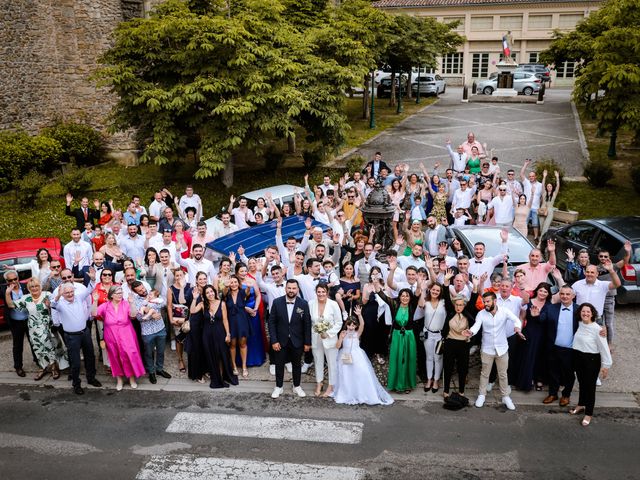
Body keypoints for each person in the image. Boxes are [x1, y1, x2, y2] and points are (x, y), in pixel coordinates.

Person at [465, 291, 524, 411]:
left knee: (503, 374)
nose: (485, 304)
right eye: (484, 302)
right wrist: (471, 332)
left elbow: (516, 320)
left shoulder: (504, 311)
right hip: (487, 349)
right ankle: (481, 395)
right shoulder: (481, 314)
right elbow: (477, 326)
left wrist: (518, 328)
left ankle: (505, 397)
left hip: (502, 349)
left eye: (487, 302)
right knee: (484, 374)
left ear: (495, 301)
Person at [4, 278, 69, 380]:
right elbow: (11, 305)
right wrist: (8, 293)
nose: (34, 288)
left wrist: (53, 302)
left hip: (48, 326)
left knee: (51, 346)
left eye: (36, 286)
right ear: (29, 289)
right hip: (34, 328)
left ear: (40, 286)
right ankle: (42, 367)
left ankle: (54, 367)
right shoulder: (26, 298)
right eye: (32, 287)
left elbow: (56, 304)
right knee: (38, 348)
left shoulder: (47, 294)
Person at [332, 306, 394, 406]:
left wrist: (359, 315)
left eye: (353, 325)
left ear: (356, 326)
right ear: (346, 325)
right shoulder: (343, 333)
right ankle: (347, 393)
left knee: (360, 374)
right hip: (345, 355)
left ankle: (361, 392)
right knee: (346, 375)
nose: (351, 327)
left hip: (357, 356)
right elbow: (337, 346)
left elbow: (363, 324)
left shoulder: (357, 333)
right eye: (349, 325)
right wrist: (341, 338)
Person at [50, 283, 102, 395]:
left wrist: (92, 279)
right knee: (76, 362)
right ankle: (76, 384)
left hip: (85, 333)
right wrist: (58, 295)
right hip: (71, 336)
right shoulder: (60, 304)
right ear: (63, 294)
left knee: (90, 357)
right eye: (66, 293)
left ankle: (91, 378)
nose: (70, 294)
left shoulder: (78, 297)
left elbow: (89, 290)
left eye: (71, 292)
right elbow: (52, 305)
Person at [92, 286, 145, 390]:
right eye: (117, 293)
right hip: (111, 334)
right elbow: (94, 313)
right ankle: (119, 380)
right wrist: (95, 301)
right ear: (111, 295)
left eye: (121, 293)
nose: (120, 295)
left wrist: (131, 302)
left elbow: (133, 315)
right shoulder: (105, 306)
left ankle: (131, 378)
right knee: (115, 356)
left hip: (127, 334)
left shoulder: (126, 304)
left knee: (130, 355)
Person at [268, 279, 312, 399]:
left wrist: (307, 342)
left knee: (297, 364)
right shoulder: (277, 302)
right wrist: (274, 340)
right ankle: (278, 386)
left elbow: (307, 324)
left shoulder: (303, 304)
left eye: (294, 288)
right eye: (289, 288)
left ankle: (296, 386)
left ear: (297, 290)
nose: (291, 290)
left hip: (297, 340)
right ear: (285, 288)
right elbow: (271, 323)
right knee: (279, 364)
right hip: (280, 341)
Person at [571, 302, 612, 426]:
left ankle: (589, 413)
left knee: (590, 388)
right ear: (580, 313)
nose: (585, 313)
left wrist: (606, 366)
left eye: (588, 311)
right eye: (583, 311)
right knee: (582, 384)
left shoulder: (598, 329)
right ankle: (581, 405)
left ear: (592, 313)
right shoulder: (579, 324)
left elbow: (604, 348)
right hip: (579, 358)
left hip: (591, 360)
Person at [191, 285, 239, 389]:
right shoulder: (203, 304)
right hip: (207, 334)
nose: (210, 294)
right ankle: (216, 377)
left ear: (215, 292)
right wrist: (194, 299)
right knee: (211, 356)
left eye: (211, 292)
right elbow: (192, 311)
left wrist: (228, 334)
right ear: (205, 295)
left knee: (222, 355)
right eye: (207, 293)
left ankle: (223, 376)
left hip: (220, 332)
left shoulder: (222, 303)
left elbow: (225, 320)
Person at [540, 285, 579, 407]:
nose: (565, 296)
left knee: (569, 374)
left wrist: (601, 329)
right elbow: (542, 320)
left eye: (568, 294)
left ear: (573, 296)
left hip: (571, 349)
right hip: (553, 347)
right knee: (553, 372)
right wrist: (536, 315)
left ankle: (566, 395)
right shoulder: (551, 308)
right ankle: (553, 393)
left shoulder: (579, 310)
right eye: (562, 294)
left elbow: (591, 321)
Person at [380, 285, 422, 393]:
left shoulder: (412, 305)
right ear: (399, 297)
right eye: (402, 296)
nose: (405, 298)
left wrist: (419, 283)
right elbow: (383, 297)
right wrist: (375, 282)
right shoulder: (395, 305)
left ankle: (407, 384)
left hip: (409, 336)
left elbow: (417, 293)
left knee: (409, 359)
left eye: (407, 296)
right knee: (396, 359)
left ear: (410, 298)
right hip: (397, 336)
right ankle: (396, 384)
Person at [515, 282, 553, 392]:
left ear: (548, 294)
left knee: (541, 358)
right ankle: (528, 379)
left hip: (543, 334)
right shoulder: (529, 302)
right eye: (541, 290)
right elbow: (522, 318)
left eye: (545, 291)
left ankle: (539, 379)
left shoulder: (549, 304)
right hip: (530, 333)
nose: (542, 293)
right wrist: (519, 331)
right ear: (537, 290)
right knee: (528, 356)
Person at [131, 281, 171, 384]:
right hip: (147, 332)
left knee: (161, 351)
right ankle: (151, 372)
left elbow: (163, 303)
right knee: (148, 353)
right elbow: (138, 318)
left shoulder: (152, 294)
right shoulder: (136, 301)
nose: (143, 290)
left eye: (143, 288)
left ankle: (159, 369)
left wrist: (150, 308)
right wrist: (151, 314)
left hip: (160, 328)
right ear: (135, 291)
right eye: (140, 290)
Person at [309, 283, 343, 397]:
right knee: (318, 360)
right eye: (319, 292)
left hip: (330, 339)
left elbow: (339, 322)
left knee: (331, 362)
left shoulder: (333, 304)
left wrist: (328, 333)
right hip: (315, 337)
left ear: (327, 292)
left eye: (323, 291)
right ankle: (319, 383)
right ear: (316, 292)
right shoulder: (311, 303)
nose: (321, 294)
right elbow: (309, 321)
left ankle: (331, 386)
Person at [421, 283, 447, 393]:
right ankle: (429, 379)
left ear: (440, 292)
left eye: (438, 290)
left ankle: (436, 380)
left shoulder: (444, 303)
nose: (435, 292)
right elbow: (420, 304)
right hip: (428, 333)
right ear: (430, 290)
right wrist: (423, 290)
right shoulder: (425, 302)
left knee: (438, 358)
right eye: (433, 290)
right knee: (429, 357)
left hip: (439, 335)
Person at [225, 275, 252, 377]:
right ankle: (234, 366)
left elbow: (247, 293)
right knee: (232, 345)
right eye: (231, 282)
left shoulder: (242, 292)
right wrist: (226, 286)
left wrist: (249, 287)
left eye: (235, 282)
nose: (234, 284)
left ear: (238, 283)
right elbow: (222, 293)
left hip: (242, 322)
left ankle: (244, 367)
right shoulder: (226, 294)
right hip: (231, 322)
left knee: (243, 344)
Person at [167, 268, 191, 373]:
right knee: (179, 339)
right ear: (174, 277)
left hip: (189, 316)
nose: (179, 277)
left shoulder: (190, 287)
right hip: (177, 317)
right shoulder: (171, 289)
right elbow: (168, 306)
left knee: (190, 338)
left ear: (184, 275)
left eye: (181, 275)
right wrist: (171, 319)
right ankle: (180, 360)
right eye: (177, 275)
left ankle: (192, 359)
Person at [537, 170, 561, 240]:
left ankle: (540, 242)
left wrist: (557, 177)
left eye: (550, 186)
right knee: (541, 227)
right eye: (548, 186)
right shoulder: (544, 193)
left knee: (546, 227)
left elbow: (558, 186)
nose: (549, 187)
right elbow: (543, 185)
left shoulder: (554, 194)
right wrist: (544, 176)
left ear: (552, 187)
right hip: (542, 210)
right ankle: (543, 239)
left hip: (550, 211)